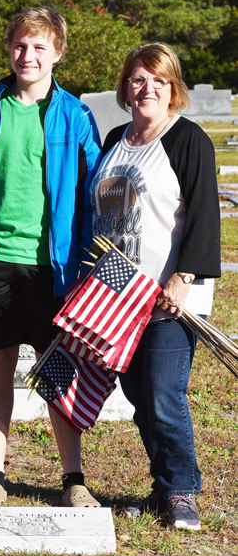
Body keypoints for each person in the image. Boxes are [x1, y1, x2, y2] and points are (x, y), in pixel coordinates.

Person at [0, 7, 103, 508]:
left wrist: (85, 267)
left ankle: (73, 477)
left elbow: (90, 196)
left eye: (40, 47)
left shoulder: (76, 115)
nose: (28, 55)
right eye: (20, 45)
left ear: (58, 53)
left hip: (55, 266)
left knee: (57, 368)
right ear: (9, 49)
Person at [91, 43, 219, 530]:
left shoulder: (188, 140)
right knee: (139, 394)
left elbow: (205, 216)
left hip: (169, 296)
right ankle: (163, 487)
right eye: (138, 80)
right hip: (116, 299)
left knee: (165, 394)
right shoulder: (114, 141)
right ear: (126, 87)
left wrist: (182, 280)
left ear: (173, 89)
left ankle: (183, 492)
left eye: (158, 81)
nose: (147, 89)